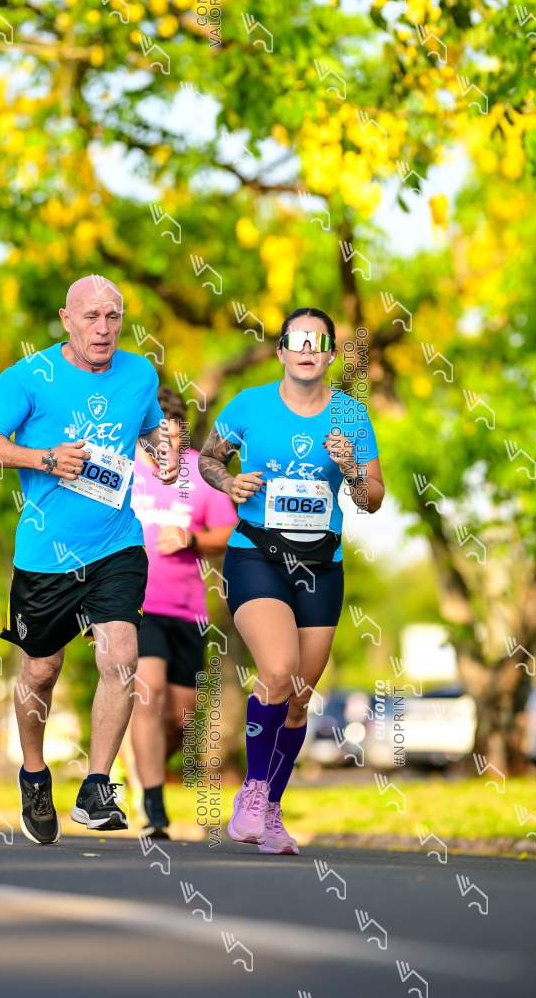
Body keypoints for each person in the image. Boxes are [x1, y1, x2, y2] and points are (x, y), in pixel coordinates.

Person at [0, 275, 178, 845]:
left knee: (122, 656)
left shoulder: (140, 373)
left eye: (113, 316)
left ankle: (96, 786)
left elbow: (150, 431)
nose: (104, 328)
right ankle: (34, 775)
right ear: (66, 319)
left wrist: (164, 453)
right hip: (45, 553)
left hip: (117, 543)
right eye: (91, 317)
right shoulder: (28, 376)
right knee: (41, 670)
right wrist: (43, 458)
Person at [199, 308, 384, 854]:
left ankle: (272, 811)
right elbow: (208, 460)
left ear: (330, 354)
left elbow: (373, 498)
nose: (306, 349)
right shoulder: (249, 404)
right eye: (296, 340)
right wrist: (228, 482)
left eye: (317, 341)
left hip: (321, 564)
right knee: (277, 670)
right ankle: (252, 793)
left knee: (300, 697)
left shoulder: (350, 414)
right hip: (256, 553)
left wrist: (351, 469)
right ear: (280, 350)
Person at [129, 385, 236, 837]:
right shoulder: (124, 471)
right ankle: (153, 807)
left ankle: (141, 763)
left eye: (172, 439)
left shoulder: (200, 474)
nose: (164, 449)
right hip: (136, 605)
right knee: (147, 693)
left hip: (187, 610)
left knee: (181, 717)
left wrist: (192, 539)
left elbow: (229, 532)